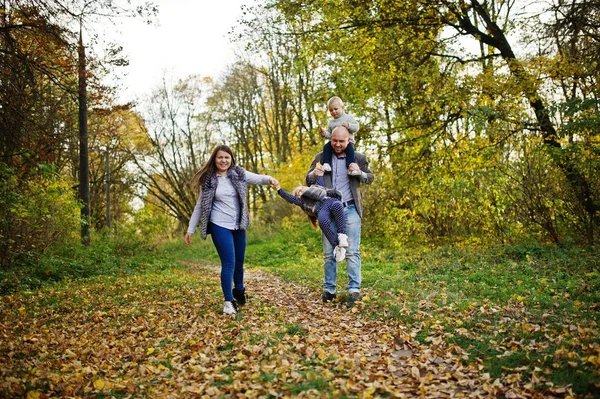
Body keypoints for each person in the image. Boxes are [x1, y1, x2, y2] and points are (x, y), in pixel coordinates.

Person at [185, 145, 278, 315]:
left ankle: (239, 290)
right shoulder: (209, 180)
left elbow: (257, 178)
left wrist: (270, 179)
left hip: (238, 224)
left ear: (231, 159)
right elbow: (200, 205)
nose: (223, 161)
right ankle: (228, 302)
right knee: (229, 262)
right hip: (219, 224)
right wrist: (190, 229)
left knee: (239, 262)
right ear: (214, 159)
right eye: (220, 157)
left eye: (227, 157)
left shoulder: (238, 173)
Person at [306, 126, 375, 308]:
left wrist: (358, 172)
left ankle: (354, 291)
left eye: (341, 141)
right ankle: (329, 290)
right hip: (328, 209)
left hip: (350, 209)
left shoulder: (358, 158)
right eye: (334, 140)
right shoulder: (321, 157)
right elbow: (308, 179)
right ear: (331, 139)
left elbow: (370, 177)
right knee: (329, 253)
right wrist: (314, 174)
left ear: (349, 141)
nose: (337, 144)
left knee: (352, 251)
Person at [272, 172, 349, 262]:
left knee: (337, 205)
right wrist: (279, 189)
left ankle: (342, 235)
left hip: (328, 200)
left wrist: (320, 171)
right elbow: (290, 198)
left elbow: (320, 179)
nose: (301, 191)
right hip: (320, 209)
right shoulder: (302, 202)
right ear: (299, 197)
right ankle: (336, 246)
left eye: (301, 189)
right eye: (299, 192)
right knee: (322, 221)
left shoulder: (315, 188)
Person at [319, 96, 361, 177]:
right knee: (326, 147)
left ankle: (351, 166)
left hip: (348, 142)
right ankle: (327, 164)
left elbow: (356, 127)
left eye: (335, 109)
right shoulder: (331, 122)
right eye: (331, 110)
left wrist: (349, 125)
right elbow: (330, 135)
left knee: (350, 151)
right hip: (334, 143)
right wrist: (324, 134)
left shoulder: (348, 118)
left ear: (342, 107)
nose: (333, 111)